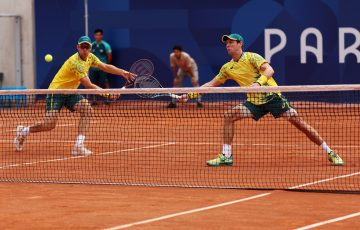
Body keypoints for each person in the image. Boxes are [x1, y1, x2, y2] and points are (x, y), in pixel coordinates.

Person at [180, 33, 344, 166]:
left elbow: (269, 70)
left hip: (272, 96)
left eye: (231, 42)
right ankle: (226, 156)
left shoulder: (252, 57)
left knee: (299, 123)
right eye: (226, 43)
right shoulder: (227, 68)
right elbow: (210, 84)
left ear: (240, 44)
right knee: (229, 115)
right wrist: (189, 95)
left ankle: (330, 152)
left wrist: (258, 83)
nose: (228, 45)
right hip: (254, 103)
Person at [14, 36, 134, 156]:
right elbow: (88, 85)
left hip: (70, 92)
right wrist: (107, 94)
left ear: (90, 48)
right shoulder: (75, 63)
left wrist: (123, 72)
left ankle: (78, 146)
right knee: (49, 125)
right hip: (56, 92)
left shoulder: (90, 57)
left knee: (87, 110)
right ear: (78, 47)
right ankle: (23, 131)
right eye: (82, 47)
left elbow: (105, 66)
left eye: (87, 47)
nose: (85, 50)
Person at [90, 28, 112, 105]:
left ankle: (107, 99)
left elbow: (109, 57)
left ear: (102, 36)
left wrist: (105, 66)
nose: (98, 36)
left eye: (99, 35)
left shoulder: (106, 45)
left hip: (103, 69)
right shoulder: (91, 45)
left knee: (105, 83)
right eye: (96, 35)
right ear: (94, 36)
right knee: (92, 84)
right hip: (93, 69)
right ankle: (94, 100)